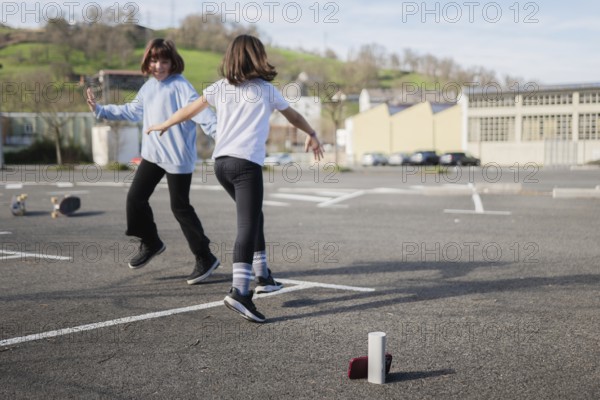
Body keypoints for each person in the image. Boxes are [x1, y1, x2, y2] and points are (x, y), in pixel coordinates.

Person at [147, 34, 324, 323]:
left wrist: (166, 123)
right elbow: (293, 116)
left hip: (222, 164)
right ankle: (240, 292)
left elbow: (190, 110)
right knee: (247, 224)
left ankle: (263, 276)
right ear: (258, 57)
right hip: (245, 165)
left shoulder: (221, 87)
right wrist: (313, 134)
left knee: (254, 217)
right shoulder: (266, 90)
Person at [85, 38, 220, 285]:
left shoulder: (180, 85)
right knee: (135, 199)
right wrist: (101, 110)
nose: (159, 66)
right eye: (154, 60)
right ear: (147, 62)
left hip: (177, 156)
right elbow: (132, 110)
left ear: (172, 62)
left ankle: (205, 257)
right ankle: (150, 241)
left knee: (180, 208)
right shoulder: (148, 87)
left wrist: (220, 135)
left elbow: (201, 111)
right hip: (153, 155)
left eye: (164, 61)